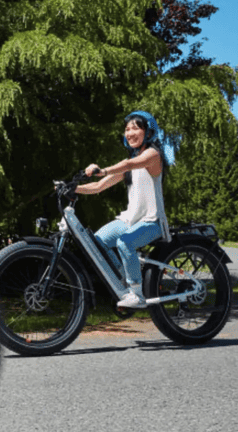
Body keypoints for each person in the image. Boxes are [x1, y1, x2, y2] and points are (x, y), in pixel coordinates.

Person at [77, 111, 172, 308]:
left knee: (124, 242)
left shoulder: (153, 155)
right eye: (127, 129)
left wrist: (102, 170)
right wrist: (71, 188)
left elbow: (128, 163)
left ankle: (137, 294)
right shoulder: (129, 166)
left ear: (148, 132)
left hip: (151, 222)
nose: (130, 133)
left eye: (136, 128)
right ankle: (124, 278)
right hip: (130, 221)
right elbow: (98, 187)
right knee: (96, 242)